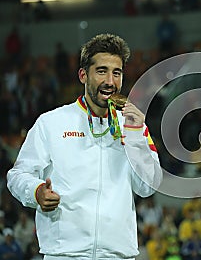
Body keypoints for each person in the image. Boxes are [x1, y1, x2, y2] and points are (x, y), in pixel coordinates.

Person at [7, 33, 163, 259]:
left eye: (116, 73)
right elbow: (17, 175)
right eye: (101, 71)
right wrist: (36, 191)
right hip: (64, 254)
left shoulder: (133, 126)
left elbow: (148, 186)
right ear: (83, 75)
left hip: (118, 255)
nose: (110, 81)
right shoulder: (51, 123)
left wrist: (135, 136)